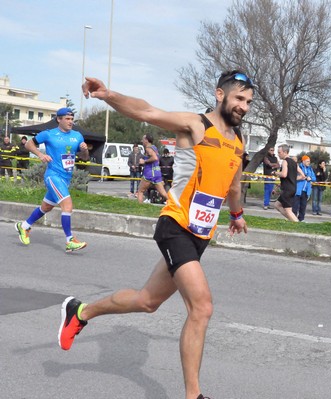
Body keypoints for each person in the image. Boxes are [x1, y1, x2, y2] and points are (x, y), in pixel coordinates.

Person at [60, 71, 253, 399]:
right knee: (202, 307)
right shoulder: (194, 125)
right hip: (175, 226)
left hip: (200, 235)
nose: (244, 107)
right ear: (220, 94)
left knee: (146, 301)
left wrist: (236, 215)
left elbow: (233, 185)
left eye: (248, 102)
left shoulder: (238, 142)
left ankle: (80, 312)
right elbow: (146, 111)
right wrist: (108, 95)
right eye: (239, 99)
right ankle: (194, 395)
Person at [14, 108, 89, 252]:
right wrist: (40, 155)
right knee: (67, 206)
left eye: (72, 119)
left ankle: (23, 226)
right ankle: (70, 240)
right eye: (67, 119)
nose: (70, 122)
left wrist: (84, 149)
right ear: (58, 119)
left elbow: (85, 157)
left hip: (66, 178)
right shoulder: (48, 134)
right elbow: (29, 144)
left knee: (46, 207)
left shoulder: (77, 136)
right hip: (53, 176)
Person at [137, 134, 168, 204]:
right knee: (163, 193)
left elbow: (155, 158)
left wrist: (144, 161)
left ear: (146, 140)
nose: (142, 141)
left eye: (143, 139)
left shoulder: (148, 148)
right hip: (157, 172)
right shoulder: (154, 147)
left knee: (140, 191)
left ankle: (139, 207)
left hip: (149, 173)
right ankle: (175, 205)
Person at [273, 144, 299, 222]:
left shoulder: (285, 161)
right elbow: (303, 176)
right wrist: (290, 180)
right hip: (292, 188)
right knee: (277, 205)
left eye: (279, 152)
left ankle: (297, 223)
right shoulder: (294, 163)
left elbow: (284, 174)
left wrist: (276, 173)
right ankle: (292, 220)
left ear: (285, 152)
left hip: (287, 189)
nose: (278, 154)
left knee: (288, 210)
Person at [293, 155, 316, 222]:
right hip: (298, 190)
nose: (309, 163)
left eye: (309, 161)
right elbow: (294, 176)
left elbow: (314, 178)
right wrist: (301, 177)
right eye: (307, 161)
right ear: (303, 161)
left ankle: (301, 219)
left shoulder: (310, 169)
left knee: (303, 206)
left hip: (306, 190)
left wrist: (310, 178)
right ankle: (293, 218)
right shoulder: (299, 167)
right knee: (295, 206)